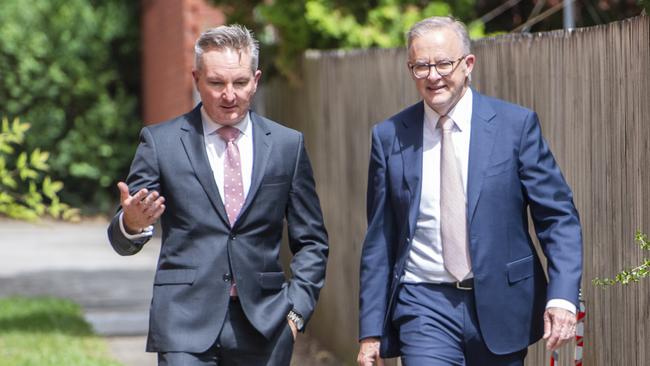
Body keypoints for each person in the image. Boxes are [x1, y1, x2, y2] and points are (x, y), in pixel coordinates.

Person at [357, 16, 582, 366]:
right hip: (423, 304)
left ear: (468, 64)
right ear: (410, 69)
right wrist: (371, 331)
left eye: (444, 63)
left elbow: (557, 217)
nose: (433, 76)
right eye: (421, 66)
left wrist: (563, 297)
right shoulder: (390, 138)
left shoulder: (515, 127)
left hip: (502, 304)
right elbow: (380, 240)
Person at [107, 24, 328, 366]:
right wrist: (131, 224)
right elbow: (121, 239)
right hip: (183, 321)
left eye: (240, 82)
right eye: (216, 83)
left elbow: (312, 240)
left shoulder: (287, 145)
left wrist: (296, 312)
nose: (229, 95)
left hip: (266, 323)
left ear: (256, 79)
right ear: (196, 79)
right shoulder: (161, 143)